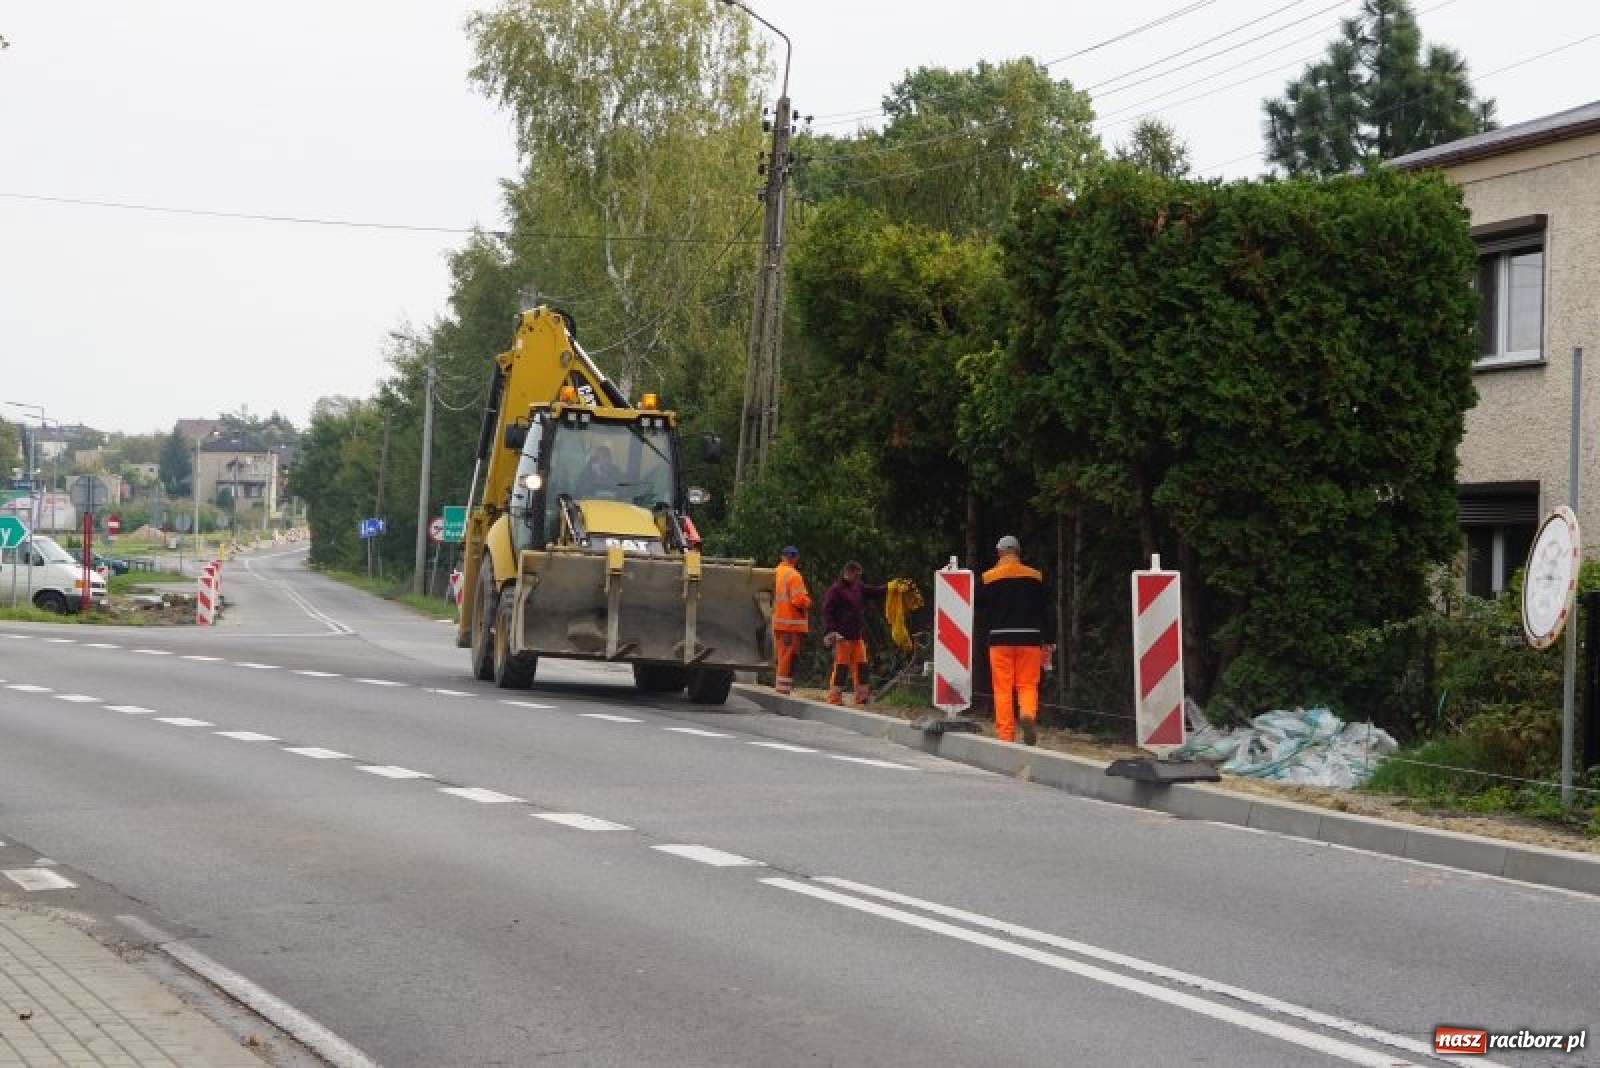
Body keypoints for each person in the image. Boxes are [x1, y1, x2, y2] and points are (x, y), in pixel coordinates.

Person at [977, 534, 1055, 745]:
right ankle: (1028, 713)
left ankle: (1006, 736)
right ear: (1018, 553)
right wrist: (1049, 638)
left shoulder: (988, 578)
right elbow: (1048, 610)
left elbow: (981, 610)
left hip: (1000, 640)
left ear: (1000, 553)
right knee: (1028, 684)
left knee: (1002, 688)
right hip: (1030, 640)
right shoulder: (1036, 577)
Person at [821, 561, 887, 705]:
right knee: (841, 668)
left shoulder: (858, 586)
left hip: (857, 635)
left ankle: (861, 697)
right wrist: (831, 631)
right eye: (856, 575)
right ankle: (835, 698)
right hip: (842, 636)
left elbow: (873, 591)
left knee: (862, 667)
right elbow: (827, 612)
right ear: (848, 572)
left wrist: (890, 588)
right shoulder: (835, 590)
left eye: (859, 576)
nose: (858, 578)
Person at [771, 545, 811, 695]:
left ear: (782, 557)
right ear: (795, 558)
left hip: (778, 622)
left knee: (781, 656)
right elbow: (799, 600)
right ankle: (783, 690)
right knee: (787, 657)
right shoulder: (794, 575)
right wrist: (808, 602)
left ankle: (781, 688)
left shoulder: (774, 573)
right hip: (790, 624)